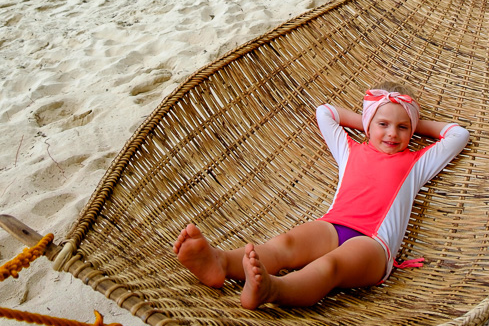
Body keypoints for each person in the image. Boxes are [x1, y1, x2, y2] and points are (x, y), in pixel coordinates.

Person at [174, 84, 469, 309]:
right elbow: (325, 112)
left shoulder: (416, 163)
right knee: (284, 244)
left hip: (373, 245)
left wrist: (411, 121)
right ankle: (221, 262)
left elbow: (458, 135)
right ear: (368, 125)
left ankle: (273, 290)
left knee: (330, 267)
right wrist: (375, 114)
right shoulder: (349, 150)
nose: (392, 133)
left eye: (403, 127)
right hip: (332, 225)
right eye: (383, 124)